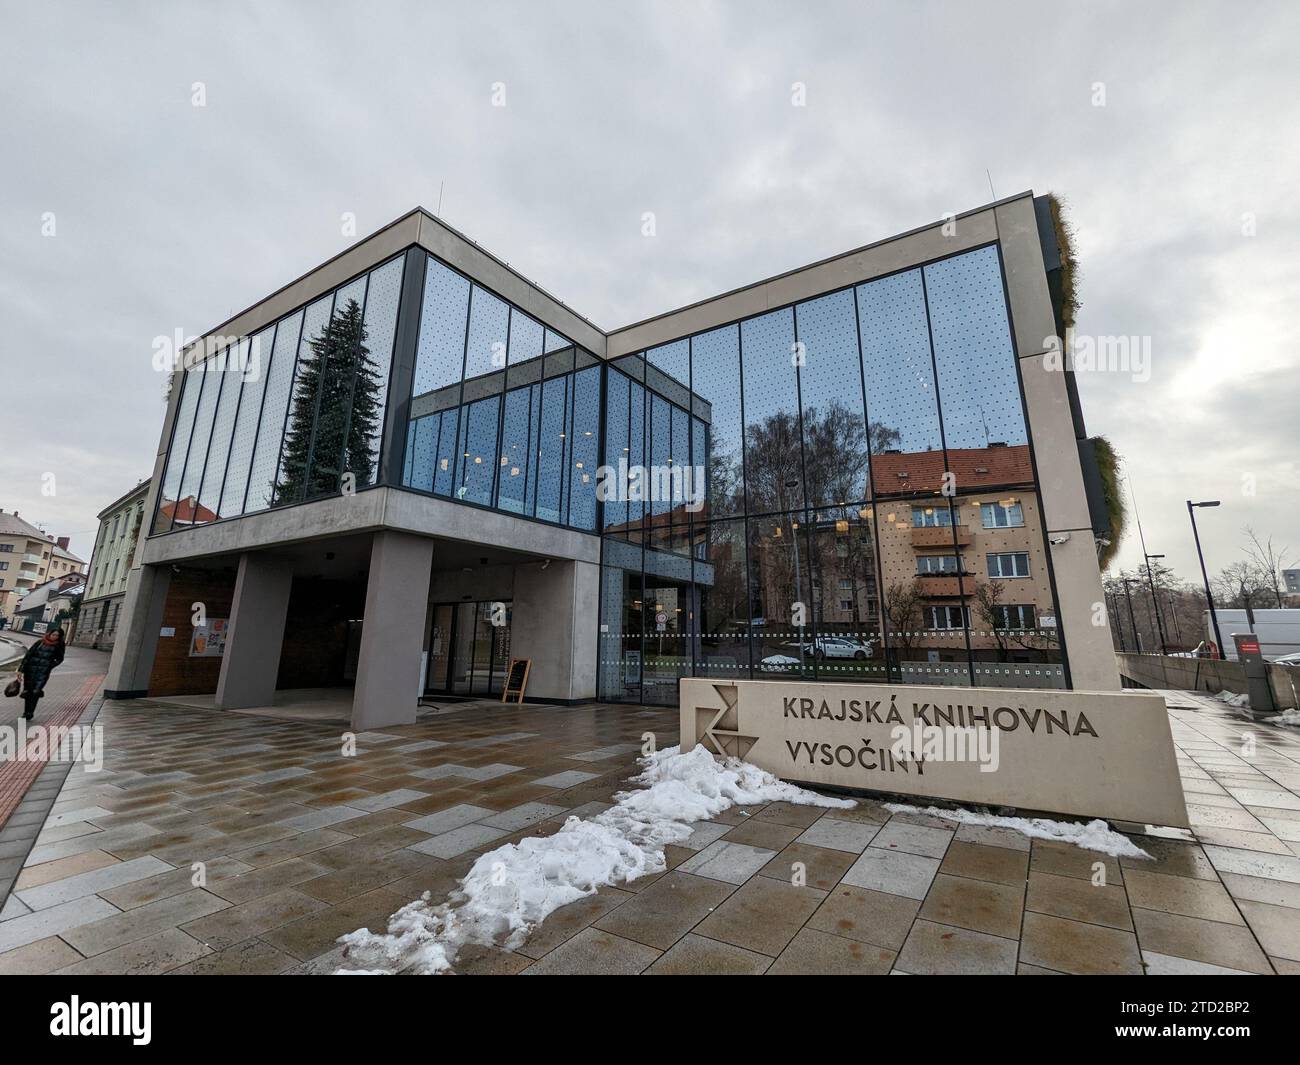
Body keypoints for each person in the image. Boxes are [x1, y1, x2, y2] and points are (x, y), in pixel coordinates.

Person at [17, 628, 66, 721]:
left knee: (36, 691)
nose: (54, 637)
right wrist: (20, 670)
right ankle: (26, 712)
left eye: (57, 635)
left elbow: (60, 659)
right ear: (50, 634)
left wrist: (49, 665)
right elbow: (28, 655)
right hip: (30, 671)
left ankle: (30, 712)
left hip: (43, 673)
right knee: (28, 692)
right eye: (53, 634)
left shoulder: (58, 646)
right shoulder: (40, 642)